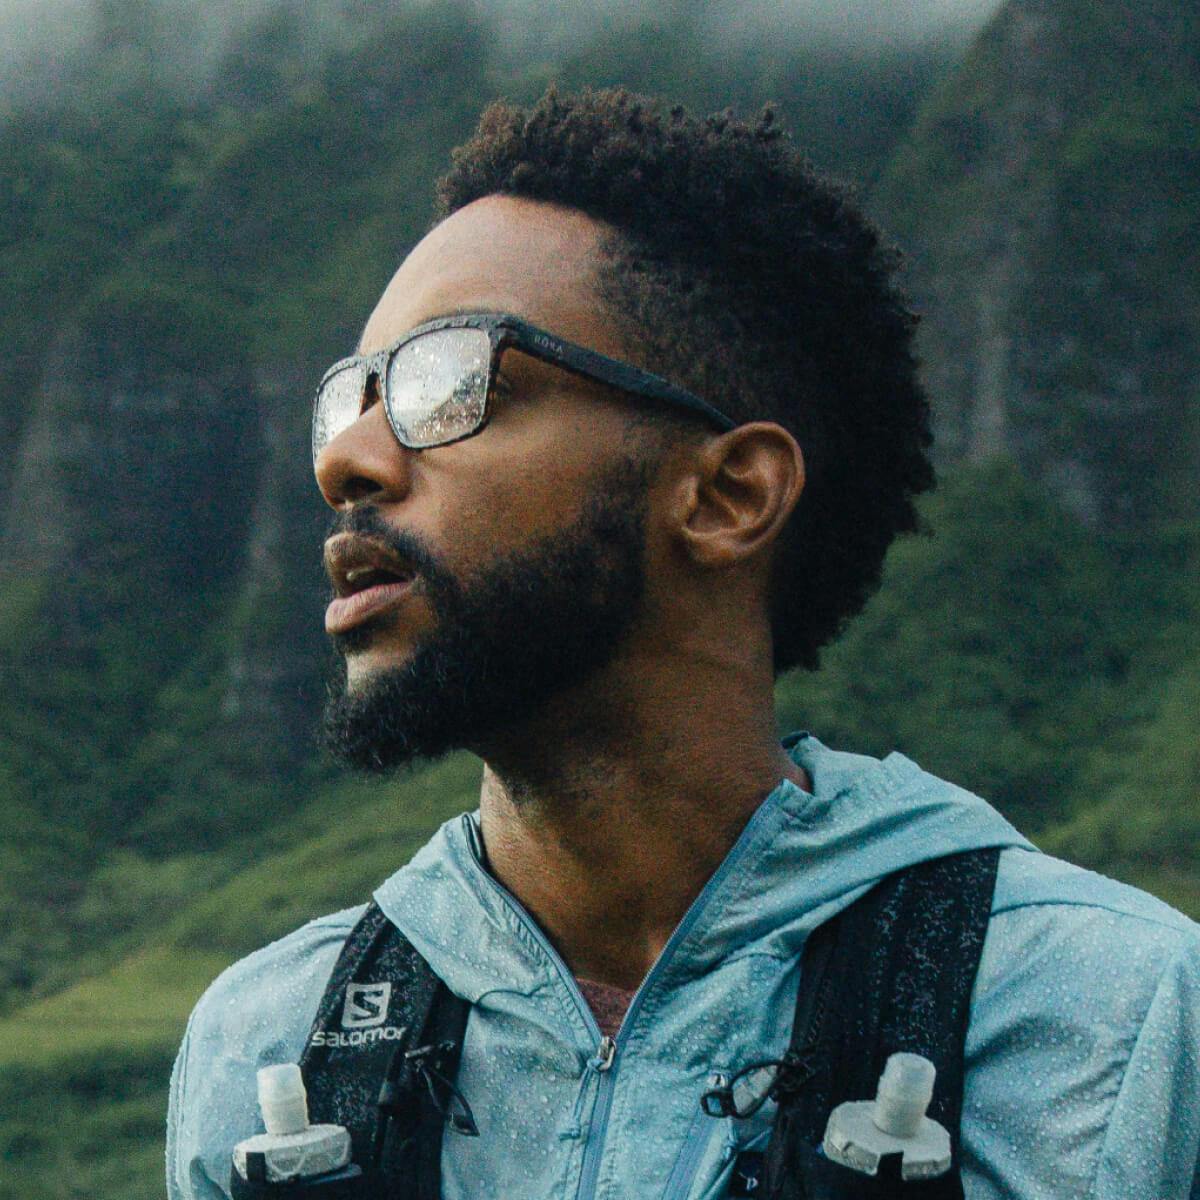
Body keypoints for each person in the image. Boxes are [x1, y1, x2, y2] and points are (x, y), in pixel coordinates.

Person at [166, 88, 1200, 1199]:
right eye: (351, 400)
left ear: (727, 496)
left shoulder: (1110, 1024)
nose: (348, 463)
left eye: (448, 382)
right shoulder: (273, 1049)